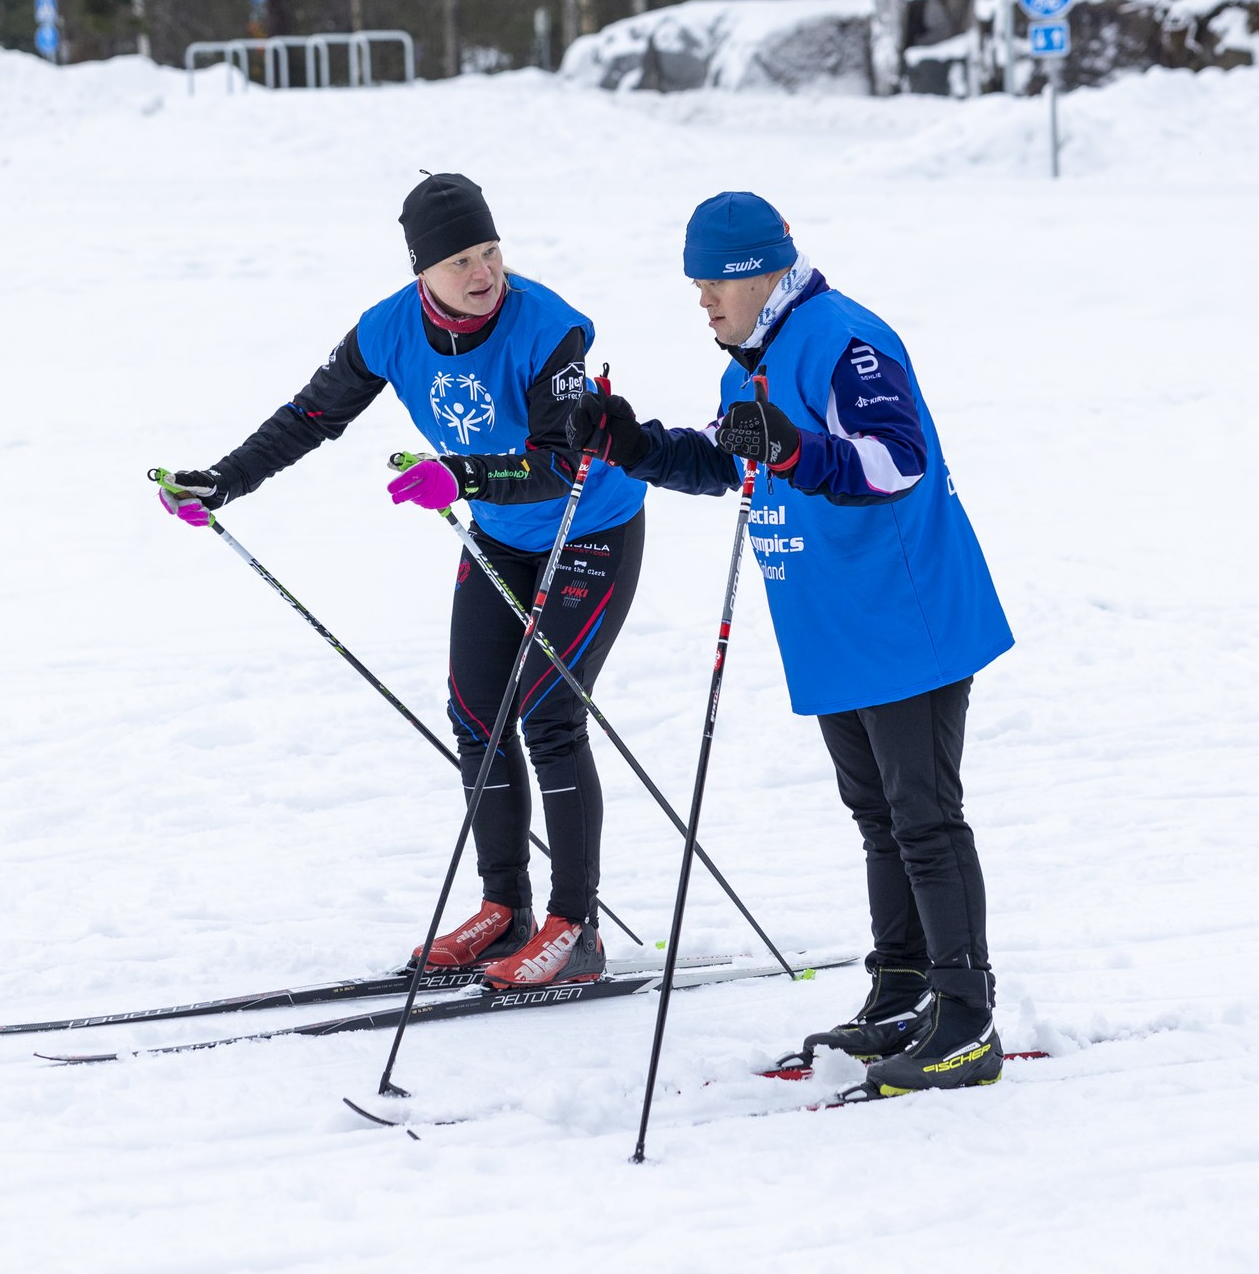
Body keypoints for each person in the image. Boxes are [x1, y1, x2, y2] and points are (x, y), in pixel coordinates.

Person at [570, 190, 1013, 1093]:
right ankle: (900, 989)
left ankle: (967, 1020)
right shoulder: (752, 359)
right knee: (877, 817)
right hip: (833, 625)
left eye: (709, 287)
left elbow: (898, 459)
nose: (702, 305)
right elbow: (729, 452)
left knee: (924, 820)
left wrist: (793, 453)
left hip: (904, 615)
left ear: (755, 273)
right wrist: (632, 442)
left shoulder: (845, 342)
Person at [157, 173, 648, 989]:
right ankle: (504, 912)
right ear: (423, 269)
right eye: (461, 259)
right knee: (474, 712)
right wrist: (227, 479)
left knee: (548, 713)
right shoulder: (386, 330)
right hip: (500, 533)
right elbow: (312, 415)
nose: (485, 271)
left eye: (491, 251)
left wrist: (459, 475)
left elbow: (559, 464)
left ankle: (575, 929)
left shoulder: (550, 328)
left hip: (585, 527)